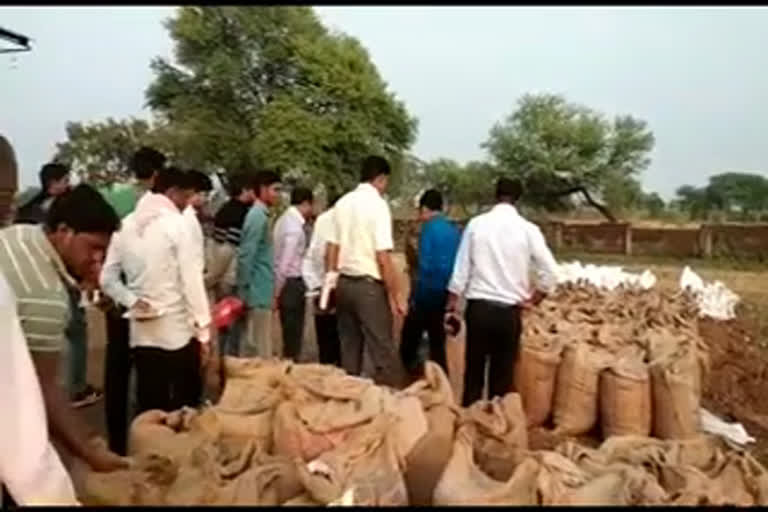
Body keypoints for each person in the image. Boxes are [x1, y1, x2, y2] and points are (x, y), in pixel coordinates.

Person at [0, 184, 128, 474]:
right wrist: (90, 449)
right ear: (64, 232)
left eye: (104, 251)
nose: (98, 261)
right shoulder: (43, 290)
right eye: (93, 248)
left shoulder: (20, 235)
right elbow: (39, 388)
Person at [0, 135, 79, 507]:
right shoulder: (39, 290)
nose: (7, 211)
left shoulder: (17, 242)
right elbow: (18, 413)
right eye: (2, 199)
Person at [101, 167, 211, 414]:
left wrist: (131, 300)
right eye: (186, 197)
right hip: (178, 332)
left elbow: (107, 278)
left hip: (142, 331)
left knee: (150, 407)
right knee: (184, 409)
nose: (187, 204)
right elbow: (191, 281)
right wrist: (203, 330)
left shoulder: (126, 225)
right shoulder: (178, 225)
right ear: (172, 193)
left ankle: (150, 450)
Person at [446, 177, 559, 407]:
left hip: (479, 310)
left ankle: (469, 427)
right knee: (502, 377)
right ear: (517, 199)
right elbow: (550, 273)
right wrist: (533, 300)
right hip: (509, 313)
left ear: (495, 195)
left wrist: (452, 306)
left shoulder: (477, 225)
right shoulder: (528, 230)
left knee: (474, 373)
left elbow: (461, 270)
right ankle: (497, 429)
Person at [100, 146, 165, 456]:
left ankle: (116, 441)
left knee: (116, 369)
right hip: (143, 300)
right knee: (147, 369)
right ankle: (146, 439)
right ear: (155, 174)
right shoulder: (149, 206)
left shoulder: (113, 195)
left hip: (116, 296)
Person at [326, 156, 407, 388]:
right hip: (368, 286)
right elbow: (383, 257)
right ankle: (393, 403)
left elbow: (332, 247)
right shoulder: (378, 206)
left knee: (349, 348)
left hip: (344, 283)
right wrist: (396, 296)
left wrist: (331, 281)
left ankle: (349, 400)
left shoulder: (342, 203)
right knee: (383, 348)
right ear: (380, 178)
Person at [399, 189, 461, 379]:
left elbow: (425, 266)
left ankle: (415, 377)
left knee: (408, 344)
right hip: (445, 292)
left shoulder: (428, 230)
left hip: (426, 293)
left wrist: (414, 297)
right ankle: (441, 382)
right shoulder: (453, 231)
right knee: (437, 343)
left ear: (425, 209)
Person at [206, 174, 254, 357]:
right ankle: (231, 361)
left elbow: (216, 245)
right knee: (235, 324)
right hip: (233, 276)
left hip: (220, 276)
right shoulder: (242, 215)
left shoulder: (223, 210)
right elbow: (231, 250)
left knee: (221, 321)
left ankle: (219, 357)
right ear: (243, 191)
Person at [237, 170, 281, 359]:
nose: (278, 194)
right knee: (259, 349)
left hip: (263, 287)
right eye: (275, 189)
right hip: (256, 289)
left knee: (262, 345)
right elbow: (247, 255)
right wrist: (244, 289)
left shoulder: (263, 215)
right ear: (262, 190)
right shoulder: (256, 216)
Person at [273, 186, 314, 361]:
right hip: (291, 283)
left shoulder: (283, 220)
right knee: (293, 332)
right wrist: (277, 290)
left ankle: (289, 362)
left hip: (286, 281)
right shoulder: (294, 228)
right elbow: (285, 262)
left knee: (288, 330)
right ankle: (291, 365)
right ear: (305, 204)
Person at [302, 193, 342, 366]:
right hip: (334, 283)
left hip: (319, 283)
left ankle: (327, 367)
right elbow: (327, 253)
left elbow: (314, 253)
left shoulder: (322, 220)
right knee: (338, 335)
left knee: (325, 335)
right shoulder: (339, 220)